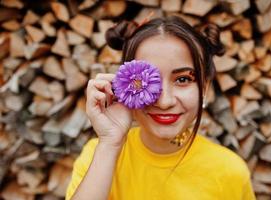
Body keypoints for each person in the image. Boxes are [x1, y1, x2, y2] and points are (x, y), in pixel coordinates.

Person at [66, 16, 256, 200]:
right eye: (145, 81)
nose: (164, 102)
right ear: (125, 85)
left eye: (183, 79)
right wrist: (109, 144)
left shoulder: (230, 172)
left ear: (204, 87)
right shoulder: (98, 157)